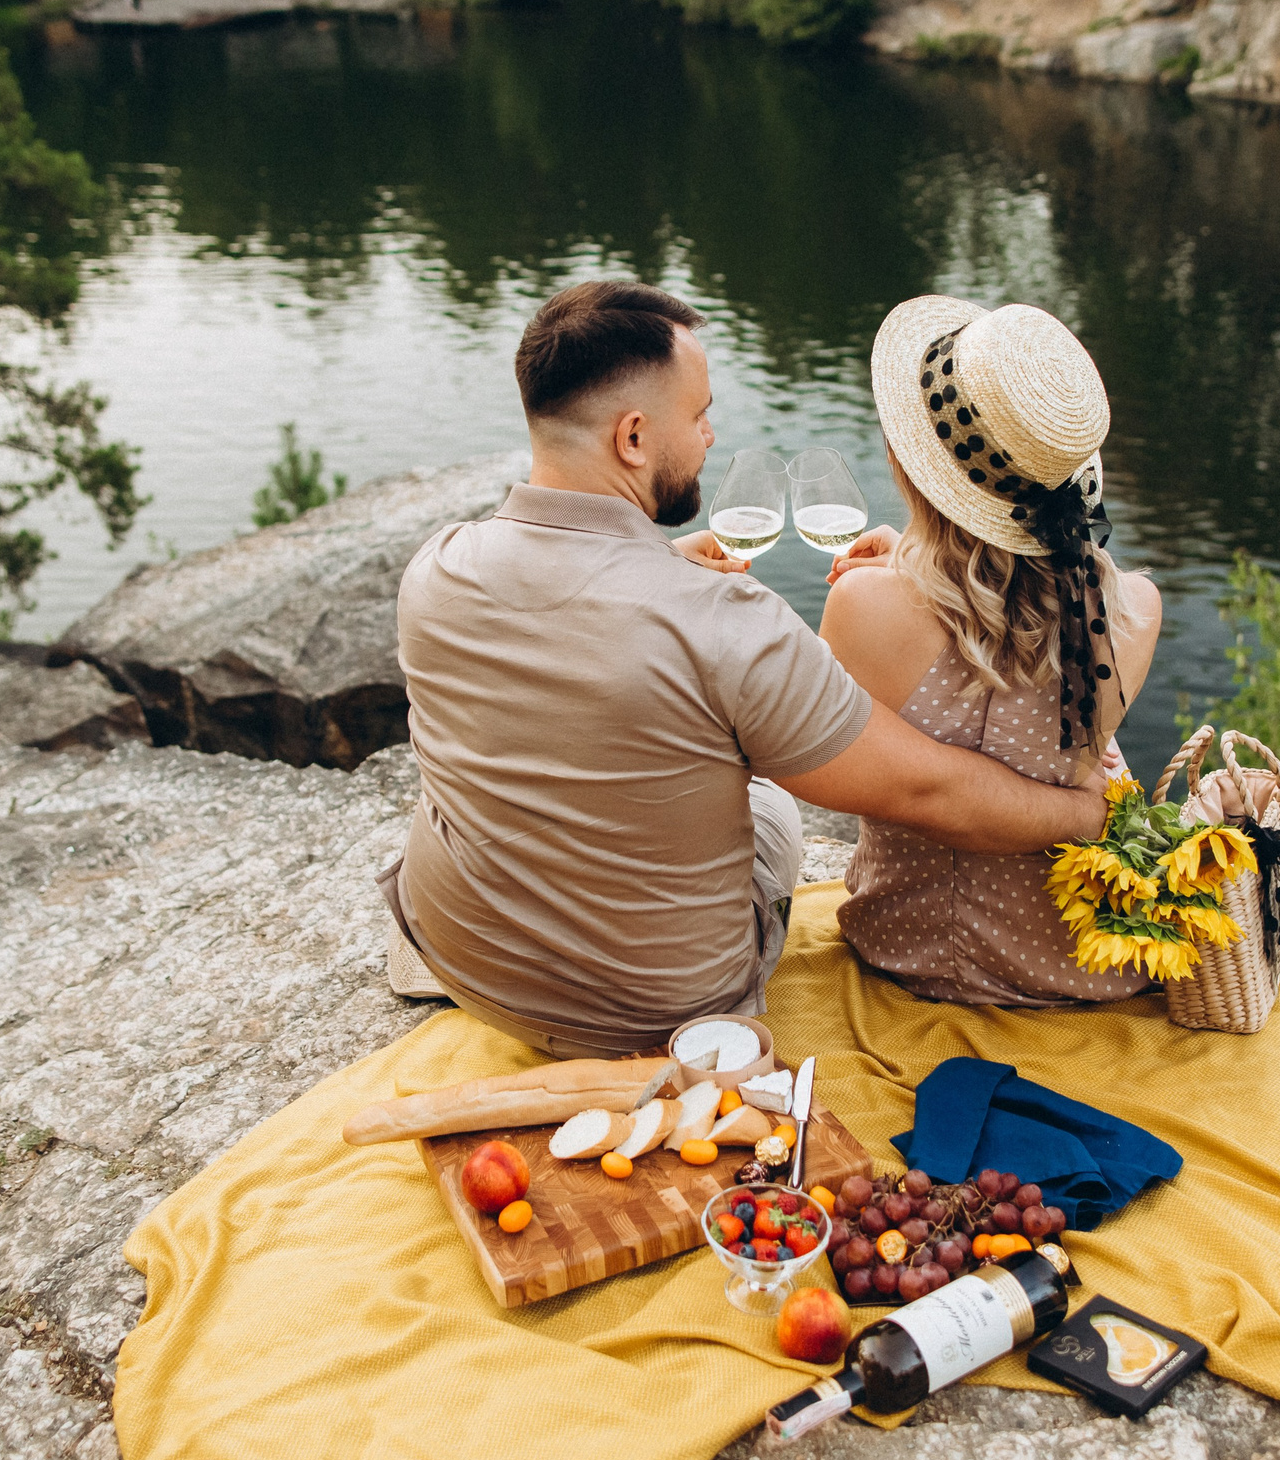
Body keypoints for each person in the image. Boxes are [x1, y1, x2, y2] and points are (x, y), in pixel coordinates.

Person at [383, 281, 1113, 1058]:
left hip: (462, 962)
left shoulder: (437, 568)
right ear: (633, 437)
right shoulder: (728, 623)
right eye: (698, 415)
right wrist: (1081, 813)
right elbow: (925, 786)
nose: (709, 436)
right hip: (662, 1014)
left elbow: (573, 605)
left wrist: (656, 563)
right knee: (770, 803)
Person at [816, 296, 1166, 1006]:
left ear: (912, 463)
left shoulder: (864, 606)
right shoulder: (1138, 611)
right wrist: (910, 557)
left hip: (907, 949)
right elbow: (1012, 620)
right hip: (1080, 967)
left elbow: (796, 751)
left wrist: (902, 567)